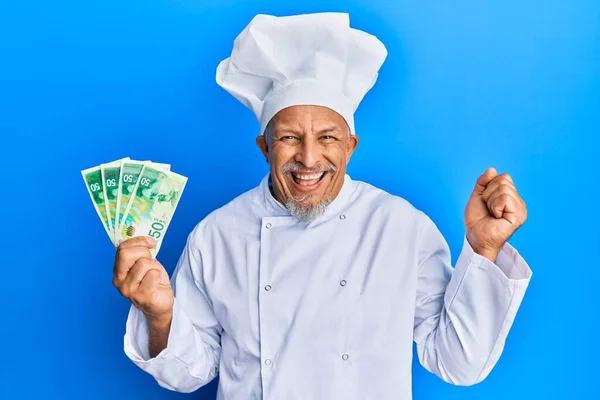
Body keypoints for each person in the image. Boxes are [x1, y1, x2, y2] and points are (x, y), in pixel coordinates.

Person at [112, 12, 532, 399]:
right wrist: (160, 315)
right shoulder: (217, 234)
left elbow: (459, 363)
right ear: (265, 147)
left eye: (328, 138)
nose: (309, 159)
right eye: (290, 138)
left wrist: (483, 250)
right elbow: (190, 372)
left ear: (350, 146)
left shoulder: (400, 227)